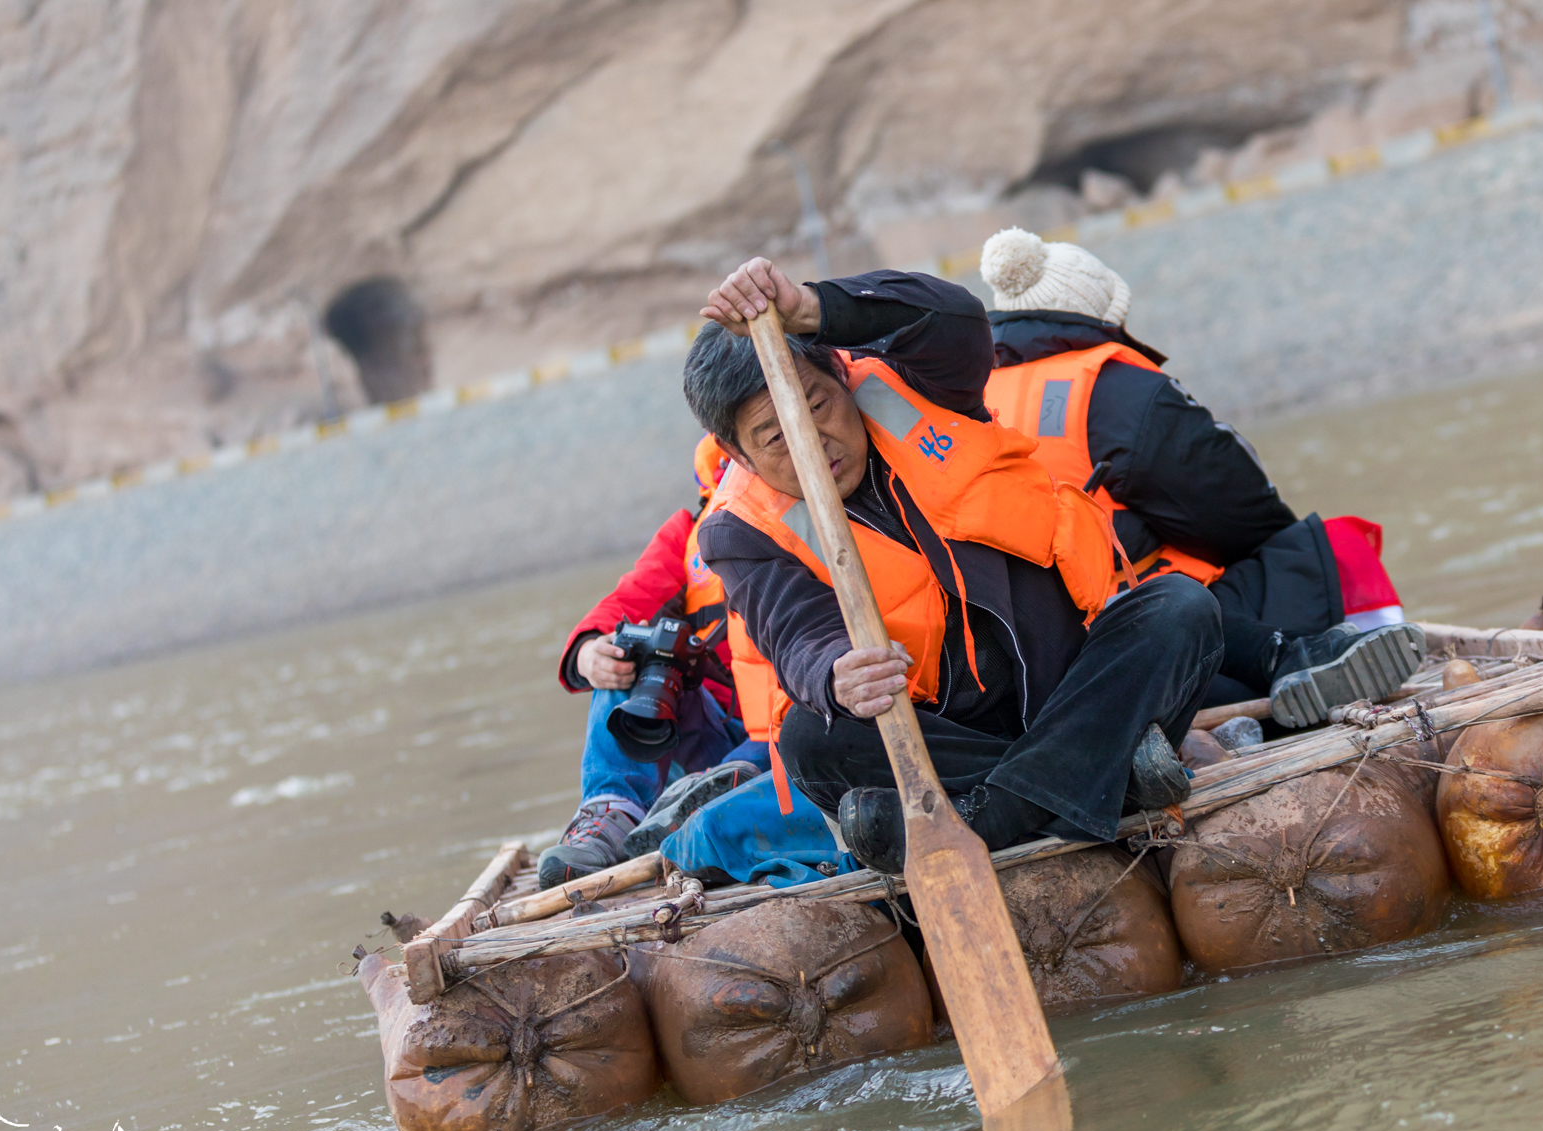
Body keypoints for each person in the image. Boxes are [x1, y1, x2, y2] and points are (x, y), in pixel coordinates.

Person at [687, 258, 1332, 874]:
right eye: (775, 436)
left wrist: (813, 306)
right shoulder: (735, 532)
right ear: (736, 454)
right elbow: (795, 632)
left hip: (1067, 685)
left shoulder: (917, 386)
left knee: (1182, 609)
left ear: (841, 378)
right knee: (810, 738)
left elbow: (957, 318)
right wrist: (835, 674)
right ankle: (1101, 775)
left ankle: (993, 816)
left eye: (819, 404)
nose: (812, 441)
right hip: (943, 736)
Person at [978, 227, 1417, 720]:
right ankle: (1348, 672)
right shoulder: (1116, 390)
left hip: (1033, 654)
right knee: (1329, 547)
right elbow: (1240, 516)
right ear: (1103, 315)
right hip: (1143, 631)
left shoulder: (970, 397)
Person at [542, 437, 769, 884]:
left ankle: (700, 804)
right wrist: (589, 651)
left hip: (789, 726)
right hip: (716, 733)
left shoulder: (803, 514)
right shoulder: (687, 535)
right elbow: (629, 599)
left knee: (787, 738)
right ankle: (612, 812)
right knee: (624, 648)